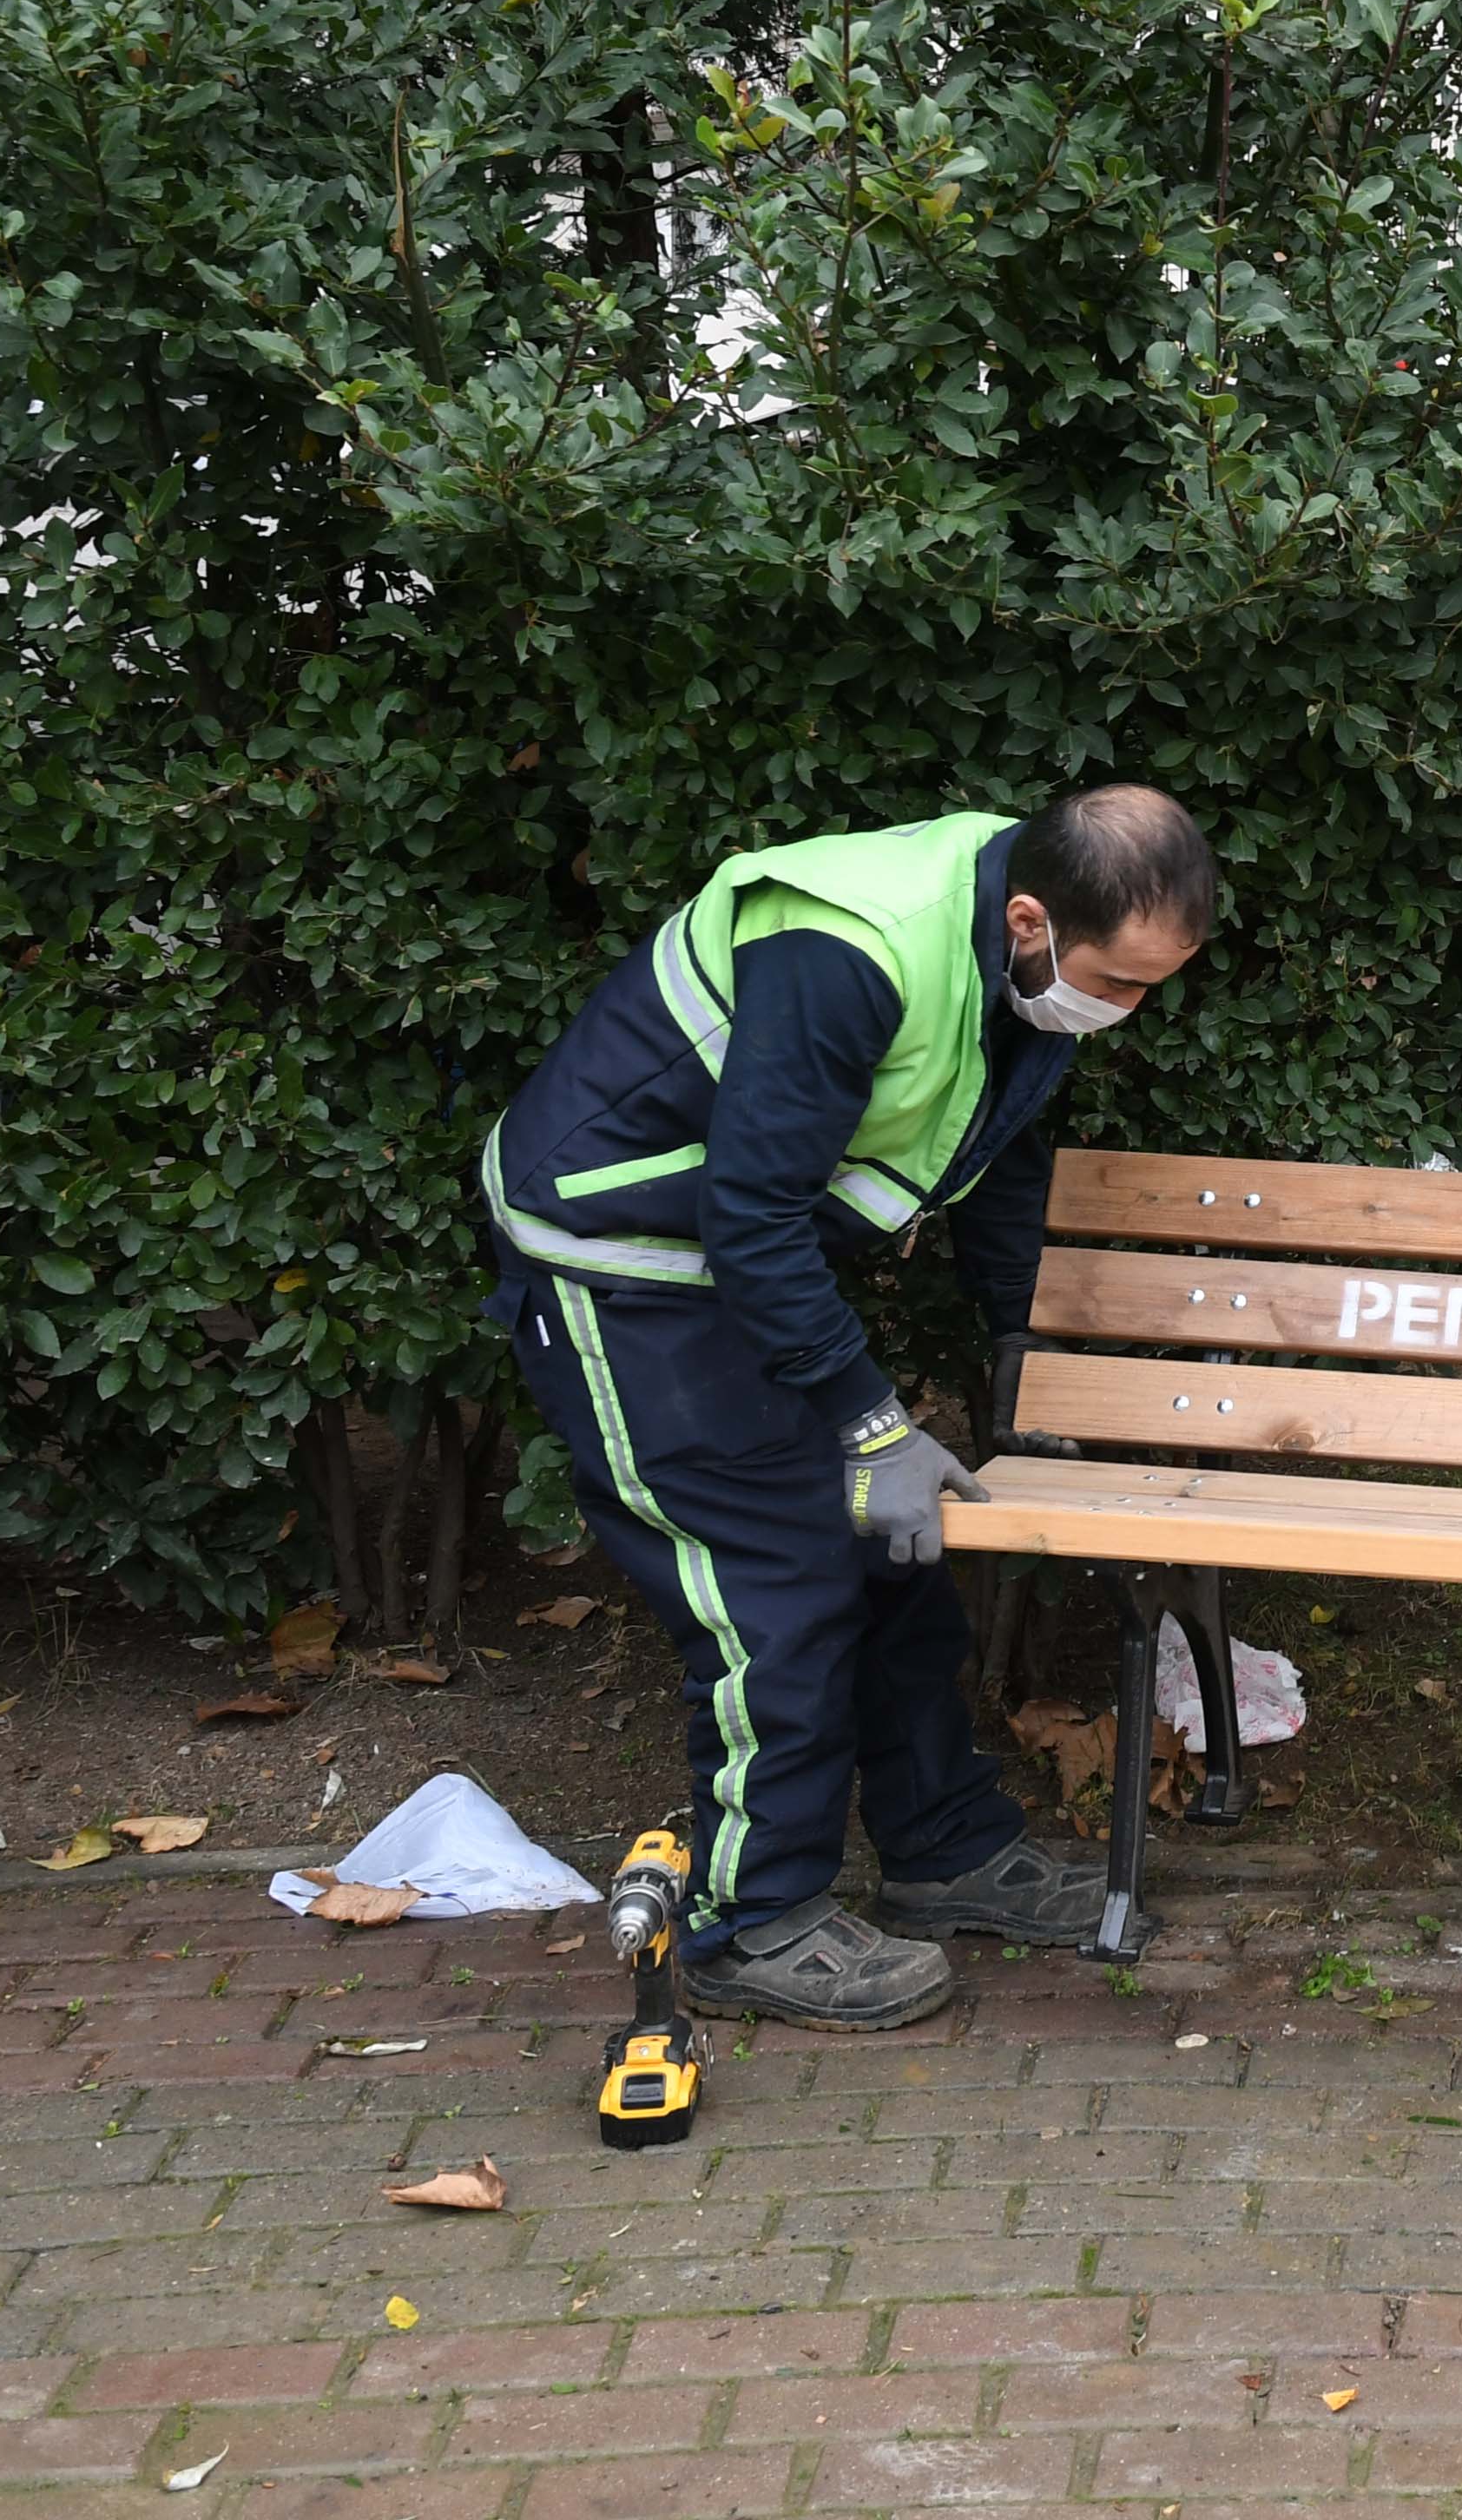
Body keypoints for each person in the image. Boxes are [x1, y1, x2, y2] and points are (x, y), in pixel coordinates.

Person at [481, 781, 1221, 2030]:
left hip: (742, 1264)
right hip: (618, 1258)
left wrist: (1022, 1364)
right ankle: (745, 1922)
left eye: (1156, 985)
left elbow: (997, 1163)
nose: (1131, 1011)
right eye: (1121, 981)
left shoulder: (1022, 966)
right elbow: (752, 1210)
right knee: (771, 1584)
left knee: (891, 1558)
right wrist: (872, 1423)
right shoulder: (850, 949)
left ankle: (944, 1852)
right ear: (1034, 920)